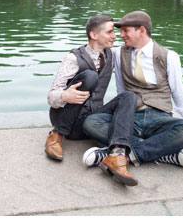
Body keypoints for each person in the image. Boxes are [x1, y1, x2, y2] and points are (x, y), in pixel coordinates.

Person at [83, 11, 183, 173]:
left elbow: (179, 94)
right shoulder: (118, 54)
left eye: (126, 31)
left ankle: (118, 153)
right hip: (130, 117)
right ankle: (161, 153)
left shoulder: (169, 56)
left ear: (141, 30)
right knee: (91, 122)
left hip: (159, 118)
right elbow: (121, 90)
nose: (121, 35)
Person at [46, 14, 139, 186]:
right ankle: (56, 135)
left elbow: (138, 47)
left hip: (91, 120)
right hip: (68, 123)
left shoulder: (112, 55)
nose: (114, 36)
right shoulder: (73, 58)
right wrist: (65, 95)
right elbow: (51, 97)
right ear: (94, 35)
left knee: (129, 96)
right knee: (89, 77)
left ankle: (116, 156)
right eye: (110, 32)